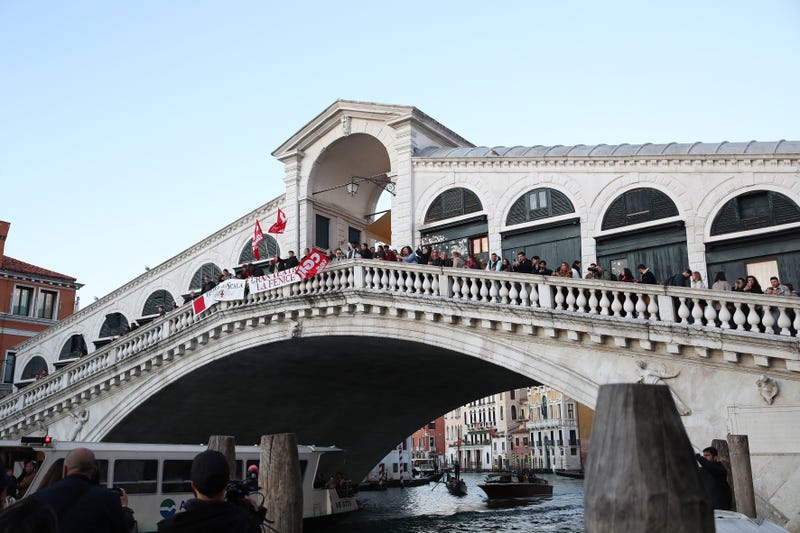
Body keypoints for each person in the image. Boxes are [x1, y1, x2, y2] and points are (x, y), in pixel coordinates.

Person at [31, 447, 136, 533]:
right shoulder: (109, 498)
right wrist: (124, 508)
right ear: (94, 471)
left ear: (65, 469)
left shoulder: (37, 498)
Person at [157, 450, 261, 532]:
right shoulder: (245, 525)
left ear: (193, 485)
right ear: (226, 483)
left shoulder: (167, 527)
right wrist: (252, 517)